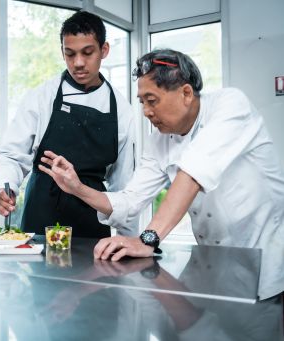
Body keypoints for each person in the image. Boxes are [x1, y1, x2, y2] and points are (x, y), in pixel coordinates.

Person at [39, 48, 284, 300]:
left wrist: (147, 239)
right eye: (142, 101)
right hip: (212, 268)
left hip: (266, 270)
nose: (145, 111)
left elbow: (192, 173)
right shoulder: (160, 141)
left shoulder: (230, 105)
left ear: (186, 93)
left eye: (152, 100)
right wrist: (77, 187)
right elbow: (131, 200)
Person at [0, 11, 136, 238]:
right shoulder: (42, 96)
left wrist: (128, 240)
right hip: (41, 213)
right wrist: (3, 187)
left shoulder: (121, 109)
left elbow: (124, 184)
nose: (78, 63)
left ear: (104, 50)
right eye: (70, 54)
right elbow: (12, 156)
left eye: (87, 53)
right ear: (62, 52)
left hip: (92, 216)